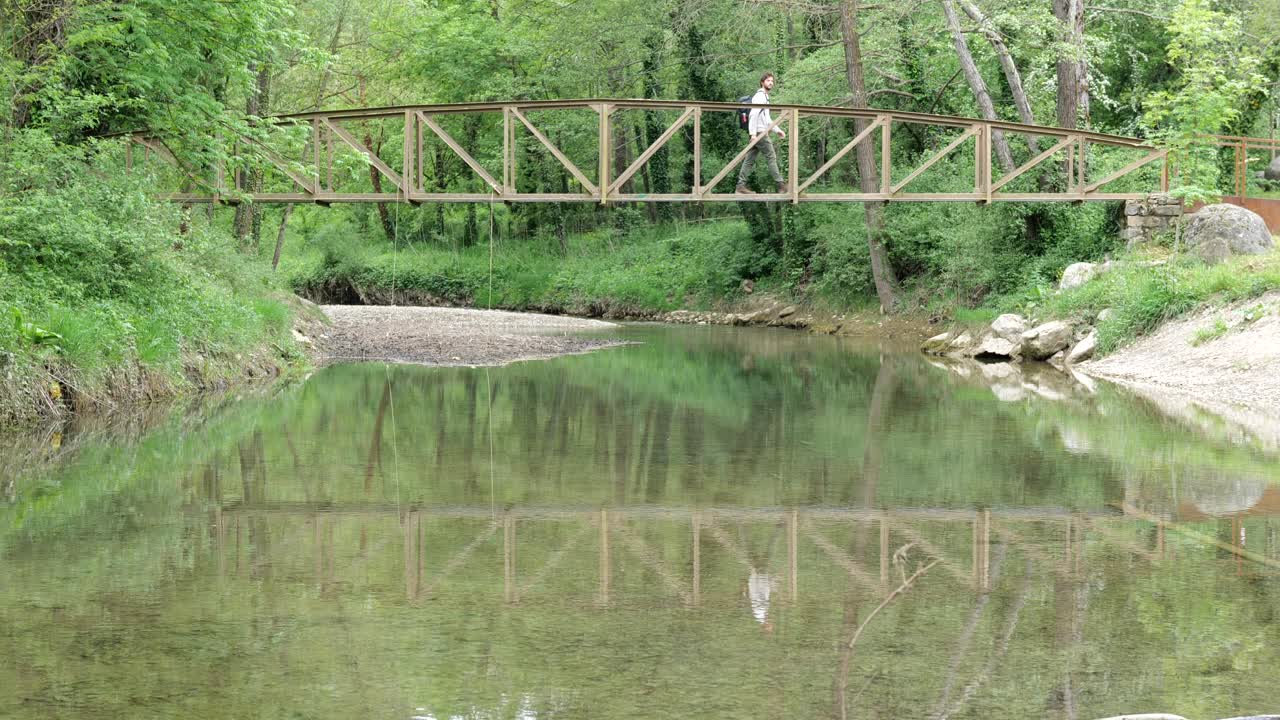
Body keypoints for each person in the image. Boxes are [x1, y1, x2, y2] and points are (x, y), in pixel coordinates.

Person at [736, 72, 787, 195]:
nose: (771, 83)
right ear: (762, 82)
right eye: (768, 81)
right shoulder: (760, 96)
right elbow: (753, 114)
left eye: (772, 81)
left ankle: (740, 186)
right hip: (759, 132)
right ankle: (781, 185)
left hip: (759, 131)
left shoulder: (765, 97)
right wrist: (753, 134)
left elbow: (767, 119)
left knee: (749, 159)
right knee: (771, 156)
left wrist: (777, 130)